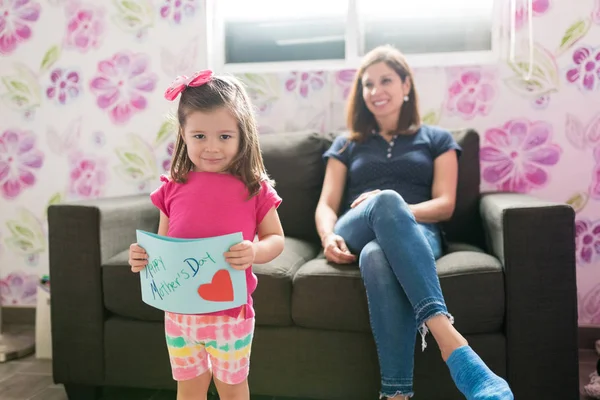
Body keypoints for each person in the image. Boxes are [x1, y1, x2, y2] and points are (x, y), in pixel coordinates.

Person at [315, 45, 514, 400]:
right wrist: (328, 236)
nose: (376, 91)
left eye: (386, 80)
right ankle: (453, 346)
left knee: (377, 254)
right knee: (383, 202)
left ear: (406, 86)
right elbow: (326, 204)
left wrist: (397, 207)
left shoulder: (437, 139)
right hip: (355, 227)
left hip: (418, 232)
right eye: (367, 84)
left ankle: (395, 394)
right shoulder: (347, 144)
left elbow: (445, 205)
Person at [128, 70, 284, 400]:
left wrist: (254, 251)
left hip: (230, 315)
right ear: (183, 134)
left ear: (242, 135)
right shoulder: (172, 189)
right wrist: (144, 257)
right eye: (199, 136)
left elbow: (276, 239)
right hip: (180, 314)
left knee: (232, 388)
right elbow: (163, 246)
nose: (211, 147)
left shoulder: (254, 188)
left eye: (224, 136)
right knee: (189, 387)